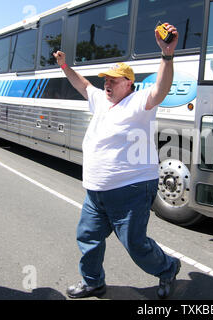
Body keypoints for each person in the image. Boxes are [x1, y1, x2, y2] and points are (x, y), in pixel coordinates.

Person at [53, 23, 181, 299]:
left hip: (131, 190)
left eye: (113, 80)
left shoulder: (138, 102)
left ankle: (168, 268)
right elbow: (83, 84)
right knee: (88, 237)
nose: (107, 84)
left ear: (129, 84)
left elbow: (161, 88)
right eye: (106, 80)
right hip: (96, 190)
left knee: (135, 245)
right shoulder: (100, 99)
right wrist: (65, 67)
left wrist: (167, 55)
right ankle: (93, 282)